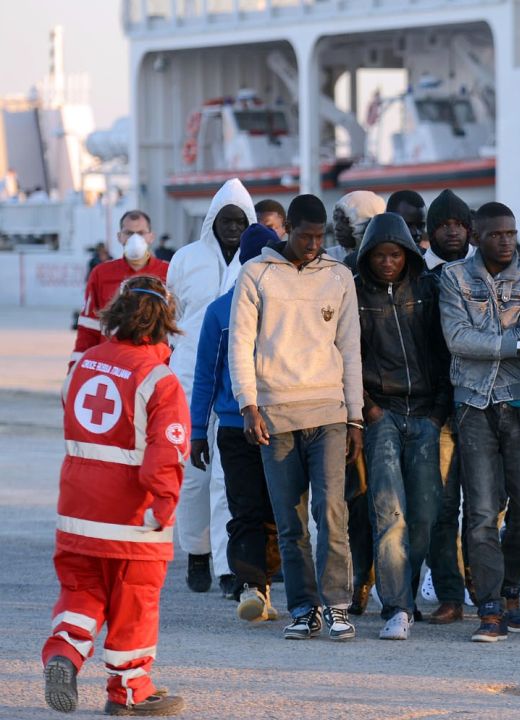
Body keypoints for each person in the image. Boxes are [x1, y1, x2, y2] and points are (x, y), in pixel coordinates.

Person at [43, 274, 189, 716]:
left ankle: (64, 653)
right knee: (134, 603)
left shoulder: (83, 365)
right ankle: (129, 691)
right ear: (164, 324)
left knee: (81, 590)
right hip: (132, 520)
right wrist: (164, 505)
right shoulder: (159, 379)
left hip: (76, 511)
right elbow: (165, 453)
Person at [228, 194, 364, 641]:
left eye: (320, 236)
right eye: (305, 235)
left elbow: (350, 349)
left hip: (329, 412)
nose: (313, 244)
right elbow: (241, 346)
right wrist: (248, 405)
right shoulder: (256, 274)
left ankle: (337, 606)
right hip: (275, 415)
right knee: (290, 521)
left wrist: (355, 418)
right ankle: (304, 609)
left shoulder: (339, 276)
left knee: (332, 512)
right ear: (287, 228)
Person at [437, 201, 520, 643]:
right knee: (482, 511)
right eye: (495, 234)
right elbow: (457, 340)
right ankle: (488, 606)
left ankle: (510, 590)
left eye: (510, 233)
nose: (505, 241)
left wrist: (515, 344)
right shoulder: (453, 278)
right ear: (475, 237)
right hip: (472, 405)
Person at [354, 212, 452, 640]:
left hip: (428, 413)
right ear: (367, 257)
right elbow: (347, 356)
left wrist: (438, 412)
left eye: (395, 254)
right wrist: (370, 409)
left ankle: (403, 591)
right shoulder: (354, 293)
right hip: (383, 415)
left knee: (426, 516)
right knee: (389, 513)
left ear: (408, 254)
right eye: (379, 255)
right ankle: (397, 607)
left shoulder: (430, 290)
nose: (388, 262)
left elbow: (448, 352)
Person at [168, 178, 256, 599]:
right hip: (188, 376)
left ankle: (227, 567)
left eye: (241, 220)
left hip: (236, 380)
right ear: (212, 222)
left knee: (227, 479)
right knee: (192, 477)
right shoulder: (185, 259)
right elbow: (173, 313)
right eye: (226, 220)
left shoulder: (257, 260)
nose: (233, 227)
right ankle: (197, 553)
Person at [190, 224, 280, 624]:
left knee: (272, 509)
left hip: (284, 421)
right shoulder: (220, 311)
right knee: (249, 507)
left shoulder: (290, 310)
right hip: (235, 426)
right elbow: (205, 377)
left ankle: (265, 586)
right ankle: (252, 586)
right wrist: (196, 430)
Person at [418, 188, 474, 625]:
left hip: (479, 404)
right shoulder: (417, 275)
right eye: (444, 224)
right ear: (430, 230)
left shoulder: (483, 272)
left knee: (486, 504)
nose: (453, 230)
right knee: (440, 507)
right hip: (435, 409)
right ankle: (450, 593)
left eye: (459, 223)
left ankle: (486, 589)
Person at [331, 190, 383, 613]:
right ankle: (357, 578)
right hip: (345, 400)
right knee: (353, 498)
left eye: (345, 219)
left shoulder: (383, 266)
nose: (338, 226)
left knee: (381, 501)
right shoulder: (333, 265)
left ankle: (379, 580)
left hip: (381, 401)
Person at [72, 210, 168, 363]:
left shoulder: (169, 272)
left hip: (155, 365)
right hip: (111, 365)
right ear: (119, 237)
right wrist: (75, 367)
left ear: (151, 237)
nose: (135, 239)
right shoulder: (101, 273)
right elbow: (88, 326)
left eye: (141, 233)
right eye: (129, 233)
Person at [330, 190, 386, 269]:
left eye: (346, 221)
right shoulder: (327, 258)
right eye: (336, 218)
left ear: (367, 222)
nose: (337, 227)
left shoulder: (386, 262)